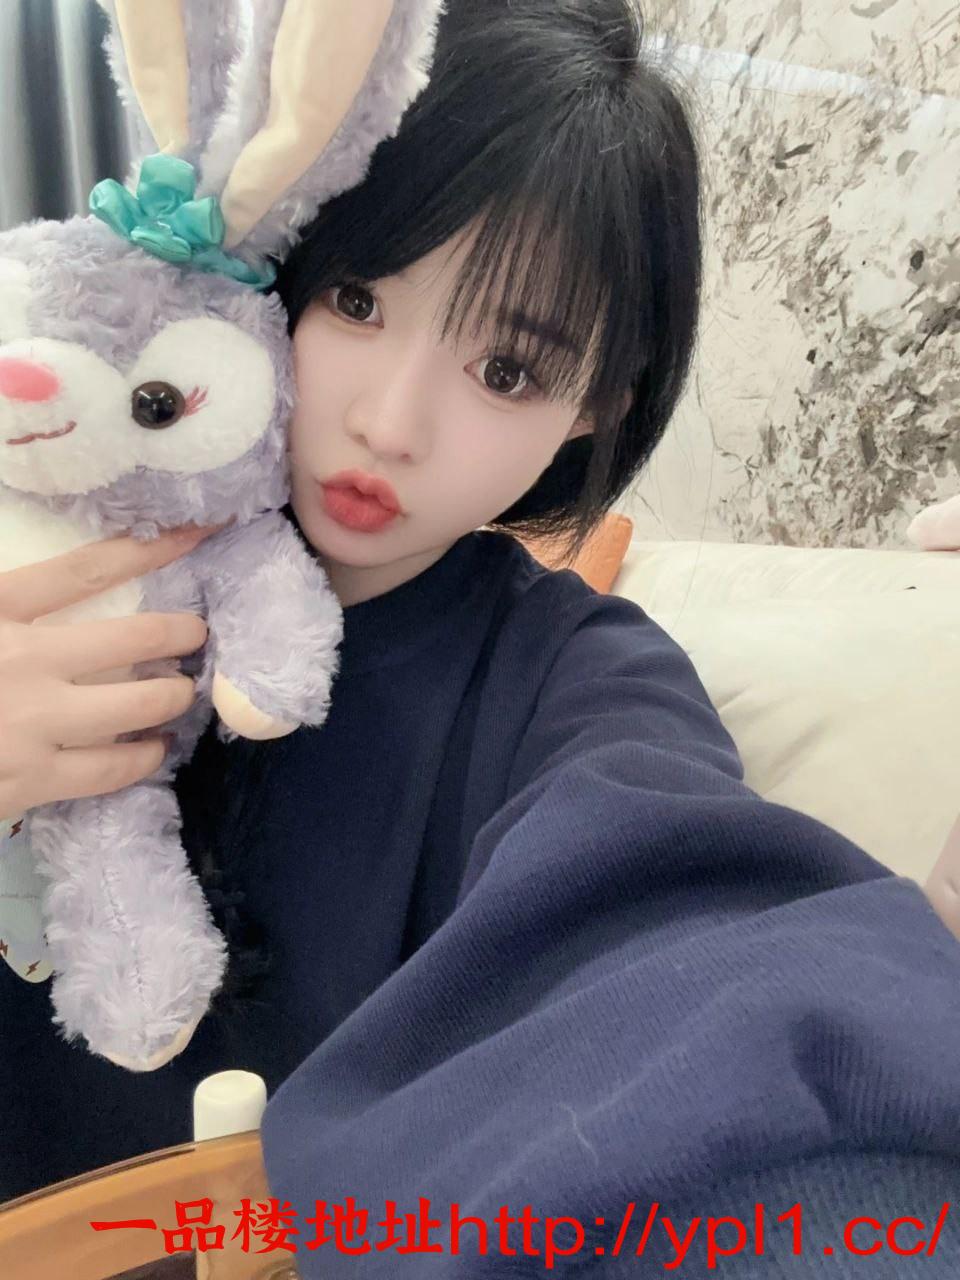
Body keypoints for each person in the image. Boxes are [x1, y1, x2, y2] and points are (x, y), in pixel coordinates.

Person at [1, 0, 958, 1273]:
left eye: (508, 370)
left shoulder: (574, 680)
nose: (392, 425)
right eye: (356, 298)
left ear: (592, 408)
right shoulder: (37, 528)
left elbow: (697, 962)